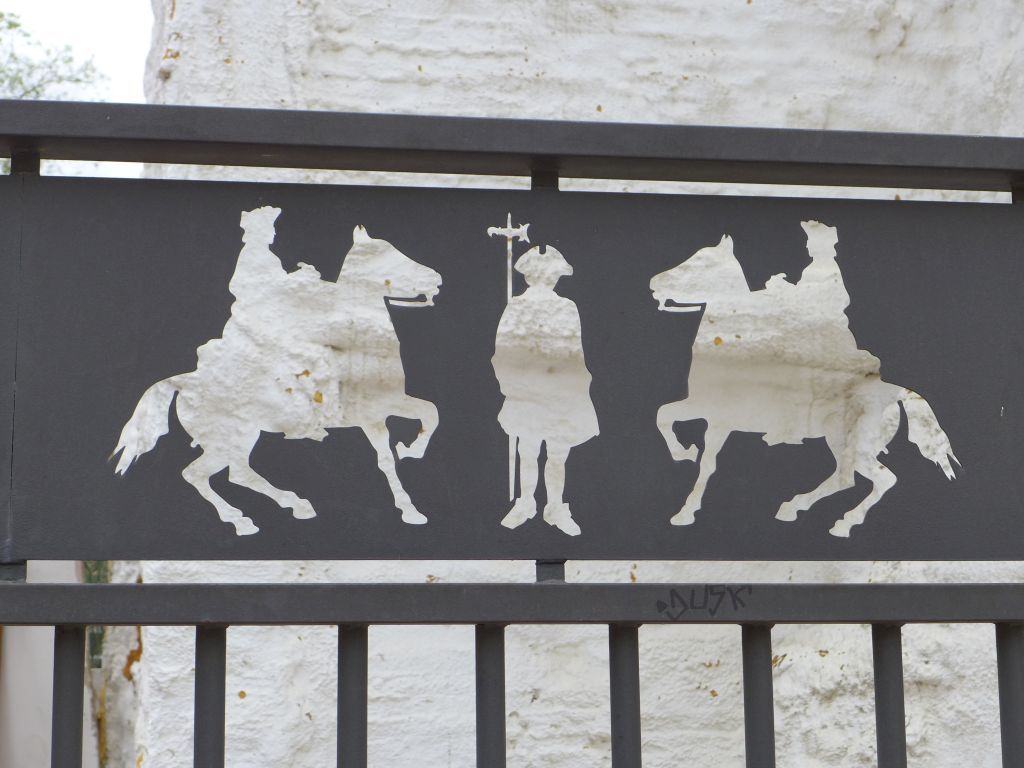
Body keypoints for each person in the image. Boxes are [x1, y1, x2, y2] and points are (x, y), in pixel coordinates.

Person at [491, 244, 598, 536]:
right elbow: (503, 350)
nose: (546, 280)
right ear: (529, 276)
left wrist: (576, 386)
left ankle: (555, 506)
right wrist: (510, 383)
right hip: (527, 391)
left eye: (550, 275)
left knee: (557, 451)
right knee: (528, 449)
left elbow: (574, 351)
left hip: (559, 392)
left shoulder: (567, 307)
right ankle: (526, 502)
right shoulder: (516, 306)